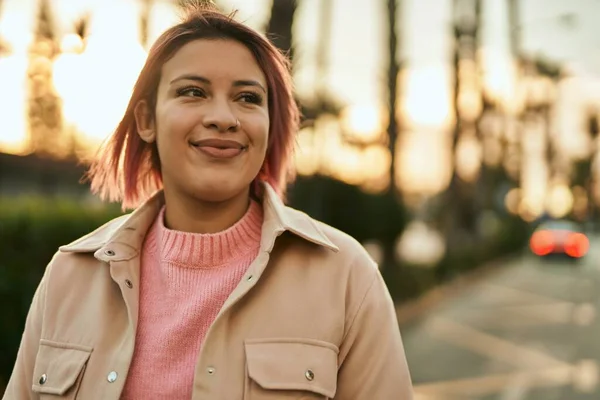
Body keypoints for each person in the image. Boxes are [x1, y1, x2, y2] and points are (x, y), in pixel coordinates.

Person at [4, 5, 413, 400]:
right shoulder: (69, 277)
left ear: (270, 125)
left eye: (248, 98)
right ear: (147, 120)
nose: (223, 117)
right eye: (193, 92)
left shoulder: (346, 277)